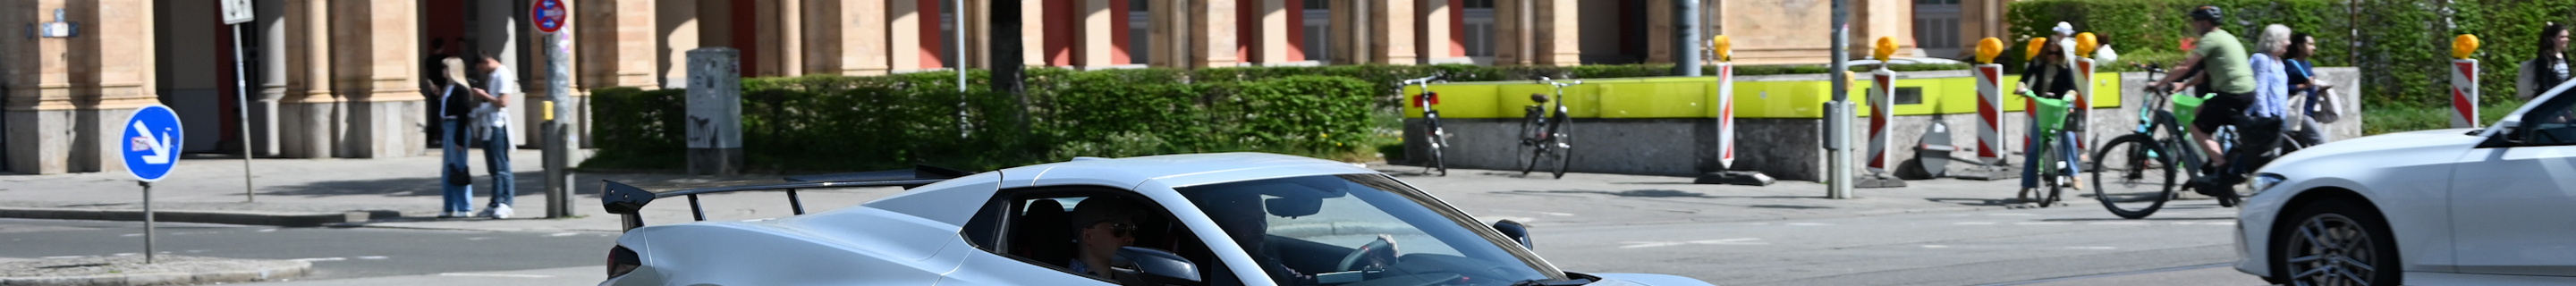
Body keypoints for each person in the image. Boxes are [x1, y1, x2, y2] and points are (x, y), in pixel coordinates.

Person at [2150, 6, 2258, 183]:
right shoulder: (2226, 36)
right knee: (2199, 113)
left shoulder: (2210, 39)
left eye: (2195, 22)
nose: (2194, 26)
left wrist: (2159, 83)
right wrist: (2183, 84)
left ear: (2205, 23)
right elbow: (2206, 73)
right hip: (2245, 92)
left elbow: (2186, 66)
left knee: (2196, 128)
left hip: (2232, 93)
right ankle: (2212, 163)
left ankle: (2224, 170)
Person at [2015, 28, 2084, 199]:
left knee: (2068, 138)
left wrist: (2070, 96)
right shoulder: (2036, 62)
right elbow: (2025, 78)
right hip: (2043, 106)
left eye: (2056, 52)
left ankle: (2074, 174)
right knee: (2034, 148)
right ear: (2045, 50)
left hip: (2061, 106)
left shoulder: (2065, 64)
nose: (2053, 55)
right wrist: (2021, 87)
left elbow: (2072, 87)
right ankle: (2026, 186)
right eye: (2050, 52)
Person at [470, 55, 520, 219]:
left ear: (487, 61)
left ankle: (505, 203)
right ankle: (495, 202)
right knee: (493, 168)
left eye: (481, 67)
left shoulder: (503, 74)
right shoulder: (494, 75)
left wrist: (483, 95)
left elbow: (504, 102)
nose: (481, 71)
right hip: (489, 125)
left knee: (501, 167)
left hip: (498, 125)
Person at [436, 57, 478, 218]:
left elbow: (463, 115)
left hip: (456, 128)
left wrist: (459, 139)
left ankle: (465, 207)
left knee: (459, 168)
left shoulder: (461, 89)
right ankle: (448, 207)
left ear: (452, 69)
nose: (443, 71)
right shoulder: (449, 88)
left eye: (445, 68)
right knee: (447, 169)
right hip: (448, 127)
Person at [1068, 198, 1140, 278]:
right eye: (1119, 229)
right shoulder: (1067, 281)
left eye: (1133, 229)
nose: (1130, 238)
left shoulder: (1130, 278)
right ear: (1088, 236)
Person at [2284, 32, 2333, 147]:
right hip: (2300, 111)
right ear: (2300, 46)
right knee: (2321, 143)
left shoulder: (2307, 64)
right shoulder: (2290, 64)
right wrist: (2304, 86)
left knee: (2303, 147)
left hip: (2309, 111)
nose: (2314, 47)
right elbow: (2284, 88)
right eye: (2310, 44)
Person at [2521, 22, 2571, 99]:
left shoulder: (2564, 56)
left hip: (2563, 101)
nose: (2566, 39)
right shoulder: (2545, 57)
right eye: (2562, 37)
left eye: (2567, 37)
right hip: (2551, 102)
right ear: (2552, 38)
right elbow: (2543, 83)